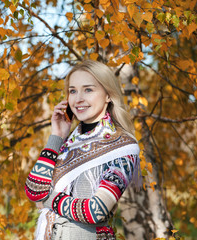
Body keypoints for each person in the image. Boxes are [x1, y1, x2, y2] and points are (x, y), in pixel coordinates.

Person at [25, 60, 141, 240]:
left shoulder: (123, 146)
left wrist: (47, 199)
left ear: (108, 95)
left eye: (88, 89)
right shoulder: (67, 143)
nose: (78, 98)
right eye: (73, 91)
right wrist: (56, 135)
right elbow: (33, 190)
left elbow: (96, 210)